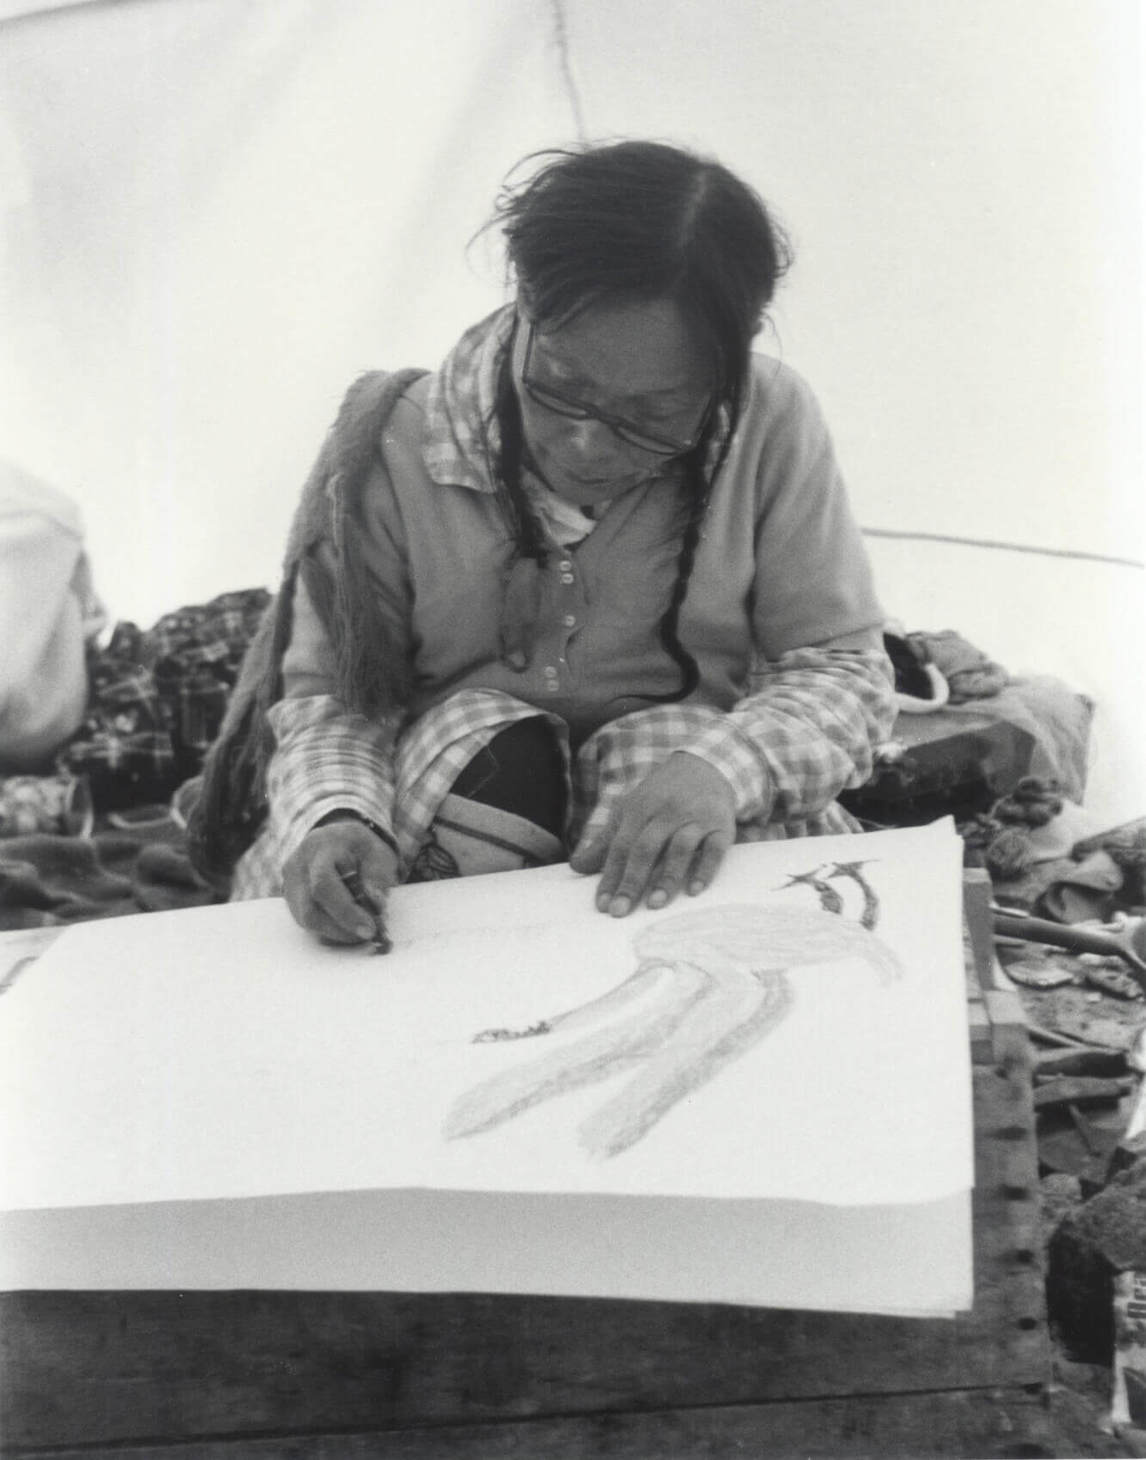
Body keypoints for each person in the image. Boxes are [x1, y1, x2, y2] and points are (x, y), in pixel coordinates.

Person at [201, 140, 895, 946]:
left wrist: (721, 771)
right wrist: (337, 815)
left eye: (651, 415)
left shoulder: (768, 421)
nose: (586, 446)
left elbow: (840, 671)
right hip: (451, 815)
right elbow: (335, 704)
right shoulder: (393, 444)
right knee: (482, 743)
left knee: (671, 750)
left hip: (655, 804)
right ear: (524, 301)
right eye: (561, 389)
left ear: (727, 364)